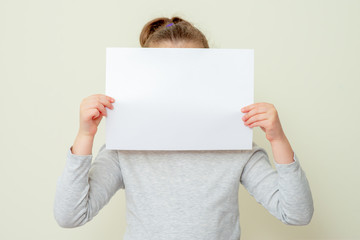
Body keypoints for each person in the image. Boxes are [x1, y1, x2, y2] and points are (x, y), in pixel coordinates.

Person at [54, 16, 314, 240]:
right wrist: (85, 135)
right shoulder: (124, 149)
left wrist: (278, 138)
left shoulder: (237, 147)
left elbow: (296, 214)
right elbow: (70, 216)